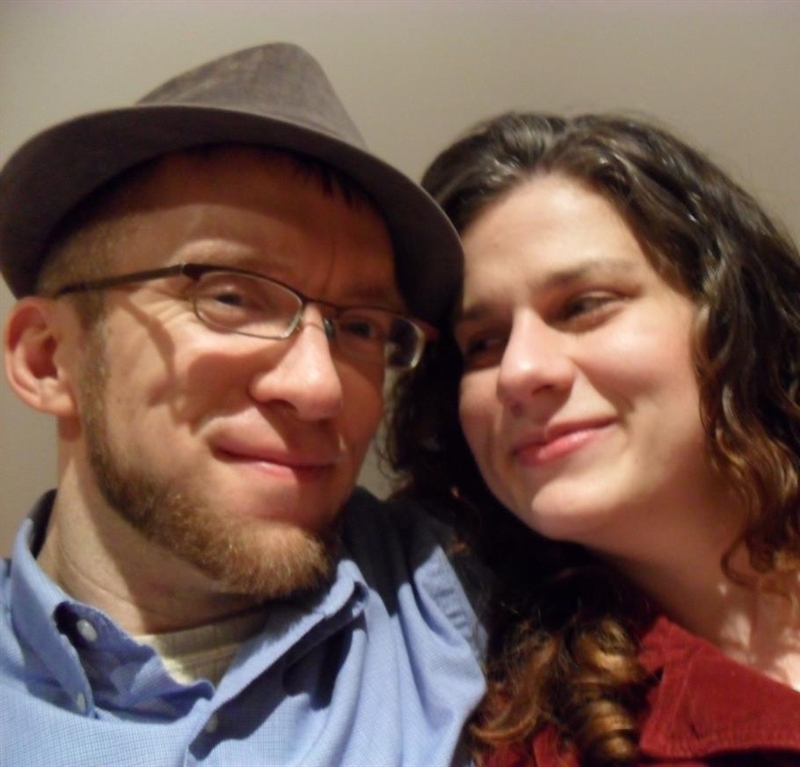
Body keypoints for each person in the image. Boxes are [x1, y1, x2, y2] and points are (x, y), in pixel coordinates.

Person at [0, 43, 486, 766]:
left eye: (360, 327)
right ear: (47, 359)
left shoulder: (453, 595)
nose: (320, 389)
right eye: (229, 296)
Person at [389, 112, 800, 765]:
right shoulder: (519, 736)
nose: (519, 371)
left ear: (727, 317)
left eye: (583, 305)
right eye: (483, 343)